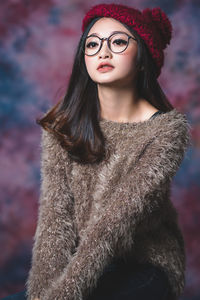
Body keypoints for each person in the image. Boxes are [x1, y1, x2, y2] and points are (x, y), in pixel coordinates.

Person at [2, 3, 192, 300]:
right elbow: (55, 223)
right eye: (92, 44)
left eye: (117, 42)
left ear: (143, 58)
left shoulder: (165, 131)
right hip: (82, 264)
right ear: (84, 59)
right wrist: (41, 294)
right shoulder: (62, 127)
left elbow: (110, 230)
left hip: (144, 264)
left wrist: (63, 295)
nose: (103, 52)